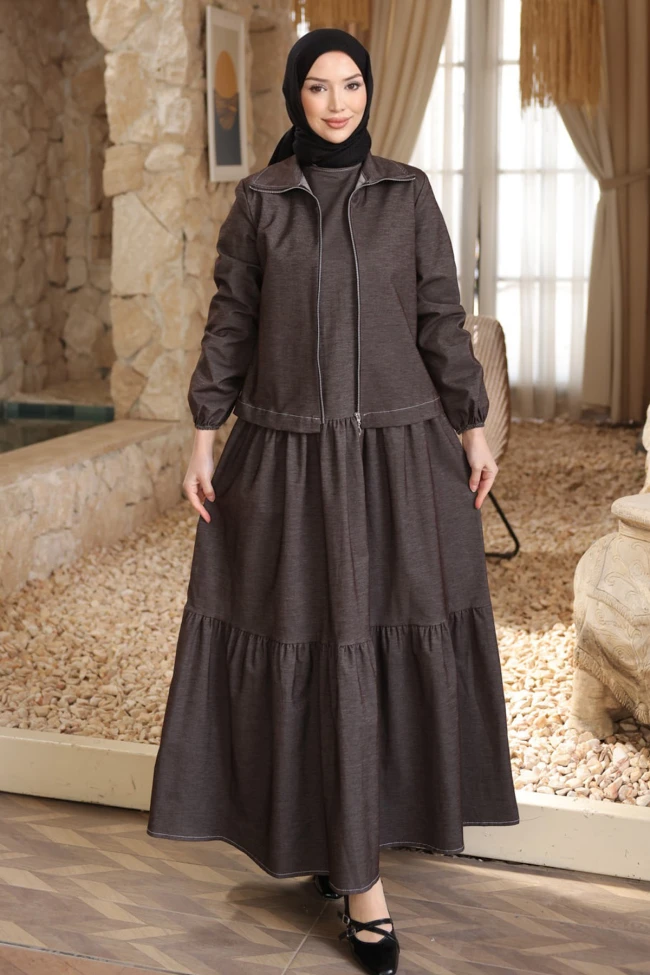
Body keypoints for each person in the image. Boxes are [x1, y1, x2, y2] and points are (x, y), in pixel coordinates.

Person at [147, 27, 519, 975]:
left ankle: (355, 864)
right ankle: (352, 871)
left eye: (351, 84)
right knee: (310, 643)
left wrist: (472, 426)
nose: (338, 102)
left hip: (398, 460)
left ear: (369, 92)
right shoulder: (260, 202)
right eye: (319, 87)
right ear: (295, 97)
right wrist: (202, 434)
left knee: (374, 640)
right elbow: (230, 324)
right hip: (287, 461)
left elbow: (441, 316)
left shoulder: (408, 194)